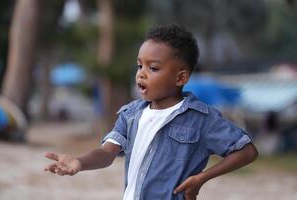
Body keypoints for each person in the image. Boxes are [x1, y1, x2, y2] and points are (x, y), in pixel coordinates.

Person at [44, 24, 258, 200]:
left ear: (180, 78)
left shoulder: (201, 119)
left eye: (153, 68)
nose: (142, 75)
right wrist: (79, 162)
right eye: (139, 66)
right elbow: (106, 153)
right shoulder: (131, 115)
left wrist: (201, 178)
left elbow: (246, 151)